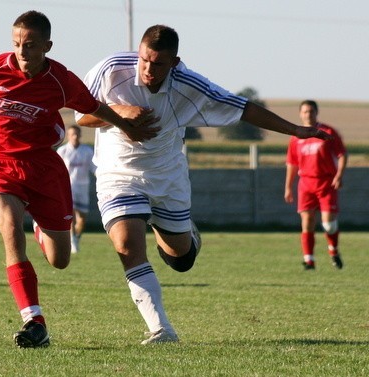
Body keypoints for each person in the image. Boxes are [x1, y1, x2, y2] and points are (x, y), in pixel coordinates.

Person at [75, 24, 330, 344]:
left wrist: (295, 130)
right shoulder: (111, 69)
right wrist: (119, 112)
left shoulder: (190, 86)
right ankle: (161, 329)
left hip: (168, 178)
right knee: (127, 246)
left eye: (158, 64)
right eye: (143, 60)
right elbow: (81, 115)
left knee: (181, 260)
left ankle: (186, 235)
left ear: (175, 62)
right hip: (118, 175)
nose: (148, 70)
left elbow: (243, 109)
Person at [0, 11, 156, 348]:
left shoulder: (60, 80)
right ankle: (34, 321)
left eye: (29, 45)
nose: (21, 52)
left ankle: (43, 228)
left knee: (60, 260)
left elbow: (94, 107)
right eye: (16, 44)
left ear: (47, 46)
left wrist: (127, 125)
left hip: (43, 169)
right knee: (11, 231)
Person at [284, 100, 347, 270]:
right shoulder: (296, 137)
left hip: (326, 182)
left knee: (328, 224)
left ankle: (333, 251)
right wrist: (288, 186)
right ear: (300, 114)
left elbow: (341, 154)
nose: (308, 114)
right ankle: (309, 260)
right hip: (305, 183)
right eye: (304, 111)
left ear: (316, 112)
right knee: (307, 221)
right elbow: (292, 163)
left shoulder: (327, 132)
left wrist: (339, 175)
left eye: (311, 111)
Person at [56, 125, 95, 253]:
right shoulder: (62, 151)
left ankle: (77, 238)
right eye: (73, 134)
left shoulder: (87, 151)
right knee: (71, 215)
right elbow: (57, 170)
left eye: (77, 134)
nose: (75, 136)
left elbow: (94, 167)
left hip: (83, 187)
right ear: (68, 136)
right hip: (69, 187)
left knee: (82, 218)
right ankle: (72, 241)